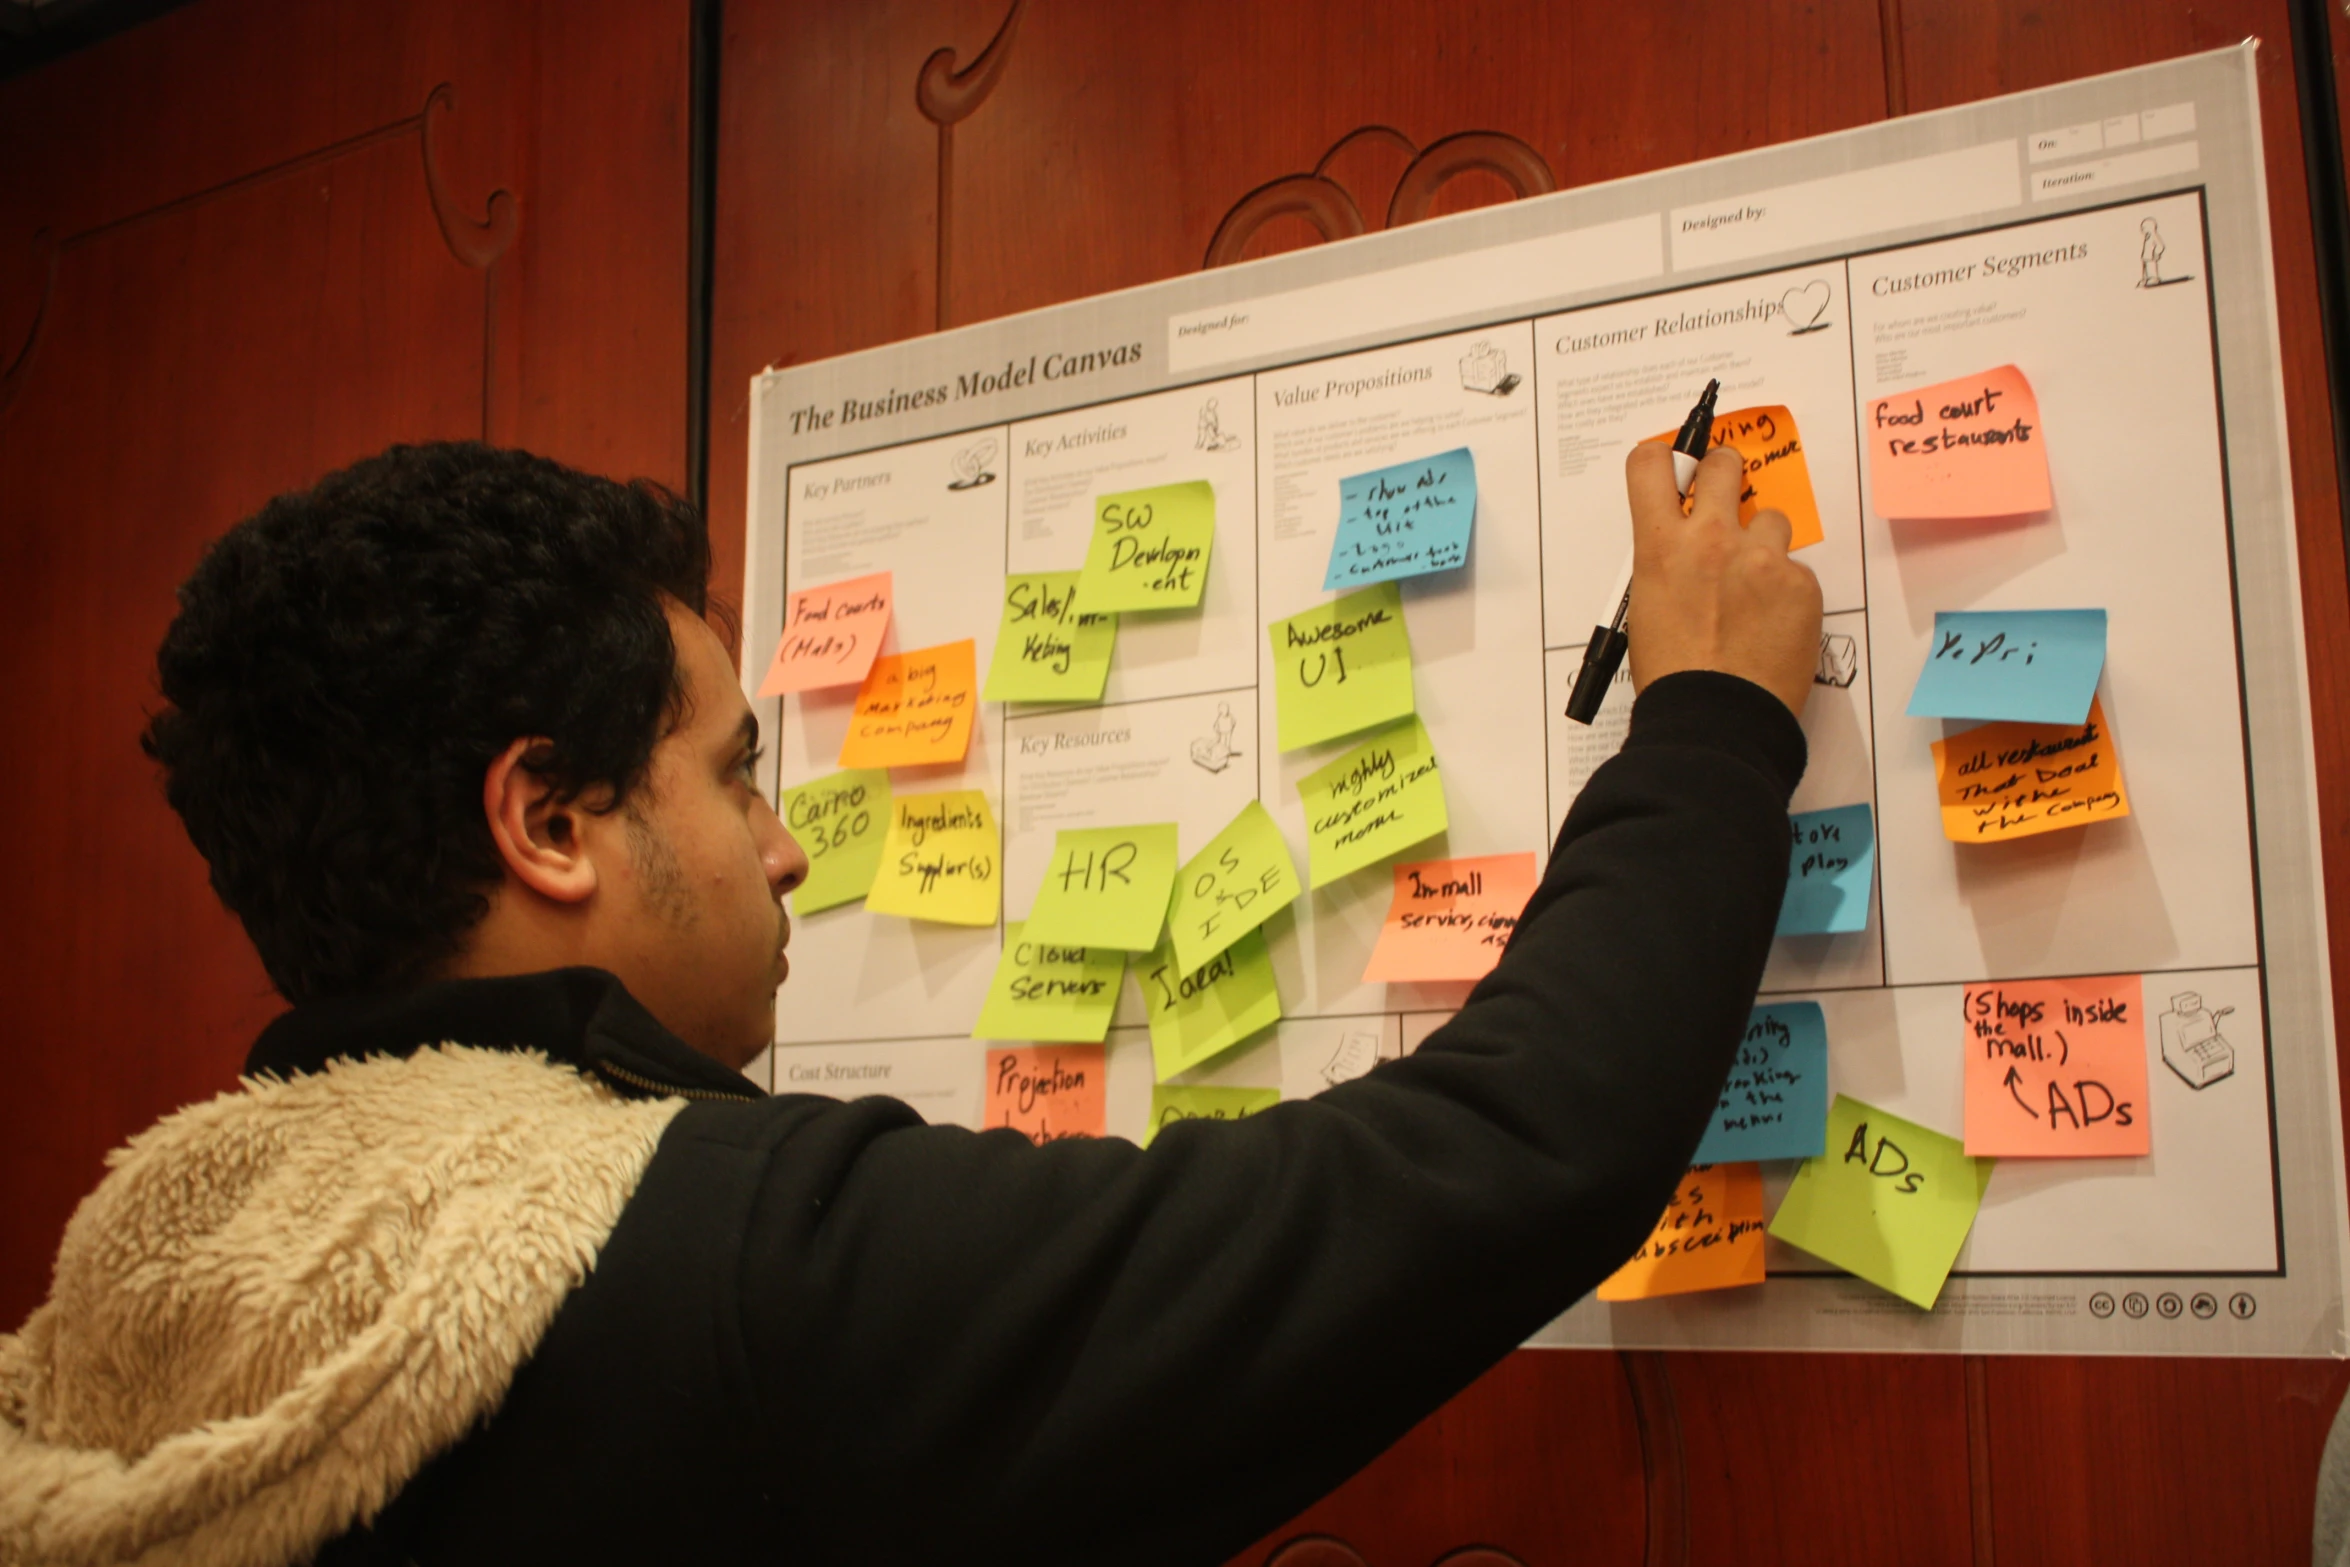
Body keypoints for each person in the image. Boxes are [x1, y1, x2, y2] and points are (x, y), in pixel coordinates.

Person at [0, 437, 1820, 1566]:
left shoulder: (153, 1278)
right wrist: (1715, 719)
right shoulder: (699, 1262)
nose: (788, 851)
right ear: (550, 821)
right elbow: (1500, 1151)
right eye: (728, 775)